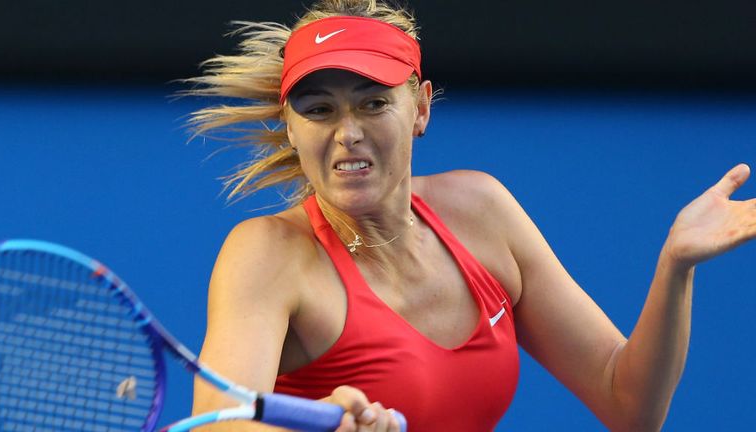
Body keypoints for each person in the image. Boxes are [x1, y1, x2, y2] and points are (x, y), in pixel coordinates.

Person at [188, 1, 756, 430]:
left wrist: (675, 266)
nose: (348, 133)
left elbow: (628, 404)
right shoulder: (267, 252)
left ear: (422, 107)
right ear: (290, 127)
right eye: (318, 110)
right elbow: (220, 424)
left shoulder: (481, 211)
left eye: (373, 102)